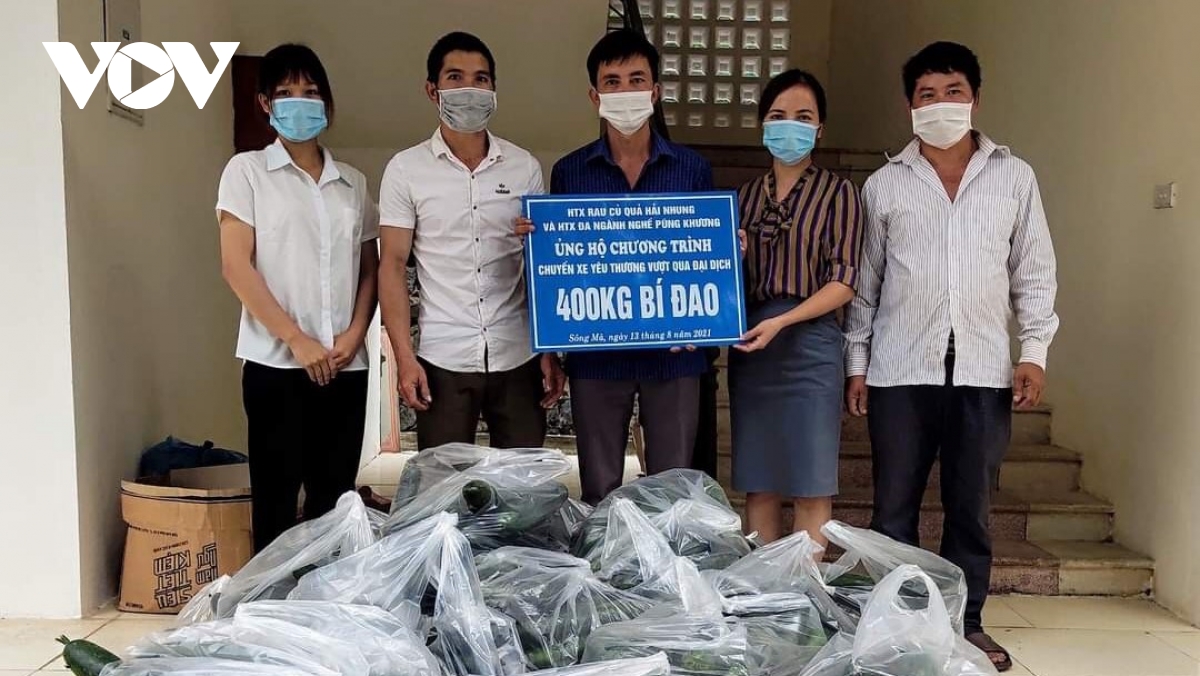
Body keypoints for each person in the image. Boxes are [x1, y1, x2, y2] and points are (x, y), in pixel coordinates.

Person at [845, 42, 1059, 672]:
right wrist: (857, 363)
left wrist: (1034, 351)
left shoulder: (1014, 178)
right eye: (927, 95)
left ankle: (968, 625)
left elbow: (1034, 272)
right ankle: (898, 627)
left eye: (953, 92)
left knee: (971, 509)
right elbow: (865, 284)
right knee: (893, 511)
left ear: (976, 99)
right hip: (898, 371)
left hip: (984, 371)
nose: (941, 104)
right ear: (909, 104)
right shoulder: (884, 185)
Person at [518, 30, 715, 505]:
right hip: (597, 352)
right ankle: (602, 555)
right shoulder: (570, 172)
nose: (625, 91)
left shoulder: (692, 169)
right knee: (598, 488)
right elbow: (563, 264)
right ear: (595, 96)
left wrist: (725, 255)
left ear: (655, 91)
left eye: (636, 80)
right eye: (613, 82)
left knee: (673, 493)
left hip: (675, 352)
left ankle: (667, 557)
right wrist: (538, 241)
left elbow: (706, 254)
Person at [217, 44, 378, 551]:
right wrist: (296, 339)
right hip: (276, 366)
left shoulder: (353, 183)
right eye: (286, 92)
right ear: (265, 103)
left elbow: (369, 269)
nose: (300, 102)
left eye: (310, 92)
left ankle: (326, 597)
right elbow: (235, 265)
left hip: (345, 365)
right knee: (276, 501)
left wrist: (355, 334)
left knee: (335, 502)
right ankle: (272, 598)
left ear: (326, 102)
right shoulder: (246, 173)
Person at [379, 32, 565, 451]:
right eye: (455, 77)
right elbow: (391, 264)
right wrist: (404, 358)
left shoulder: (523, 167)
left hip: (517, 355)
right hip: (443, 358)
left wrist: (549, 351)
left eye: (481, 79)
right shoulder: (406, 170)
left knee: (522, 481)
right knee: (443, 483)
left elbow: (541, 265)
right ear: (432, 90)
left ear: (494, 89)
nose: (470, 88)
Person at [728, 70, 863, 545]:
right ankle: (762, 586)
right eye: (778, 115)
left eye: (803, 117)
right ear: (763, 125)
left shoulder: (839, 193)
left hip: (811, 345)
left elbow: (844, 282)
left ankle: (803, 589)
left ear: (820, 128)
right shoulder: (743, 198)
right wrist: (732, 258)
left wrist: (783, 320)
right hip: (753, 348)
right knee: (759, 481)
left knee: (811, 482)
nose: (791, 126)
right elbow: (723, 280)